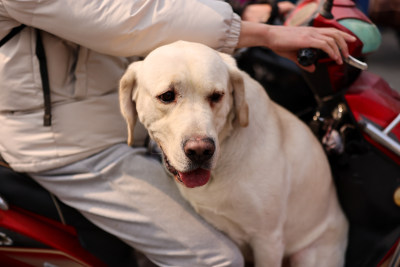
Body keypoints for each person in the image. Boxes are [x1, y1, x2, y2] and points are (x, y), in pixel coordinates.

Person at [0, 0, 355, 266]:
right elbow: (132, 20)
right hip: (70, 146)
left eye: (216, 98)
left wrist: (247, 8)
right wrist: (264, 34)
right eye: (169, 97)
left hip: (111, 123)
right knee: (217, 260)